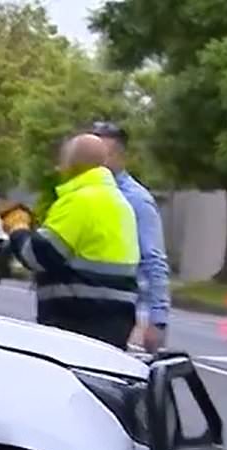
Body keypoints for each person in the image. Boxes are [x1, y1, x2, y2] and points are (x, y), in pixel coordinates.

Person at [5, 134, 141, 348]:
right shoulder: (119, 203)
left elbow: (37, 255)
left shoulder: (80, 200)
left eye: (63, 162)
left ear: (72, 165)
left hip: (76, 322)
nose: (59, 168)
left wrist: (18, 228)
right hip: (115, 322)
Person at [90, 121, 172, 352]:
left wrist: (157, 319)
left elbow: (153, 259)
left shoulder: (136, 200)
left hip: (133, 315)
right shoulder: (88, 194)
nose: (96, 163)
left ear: (119, 157)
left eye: (103, 155)